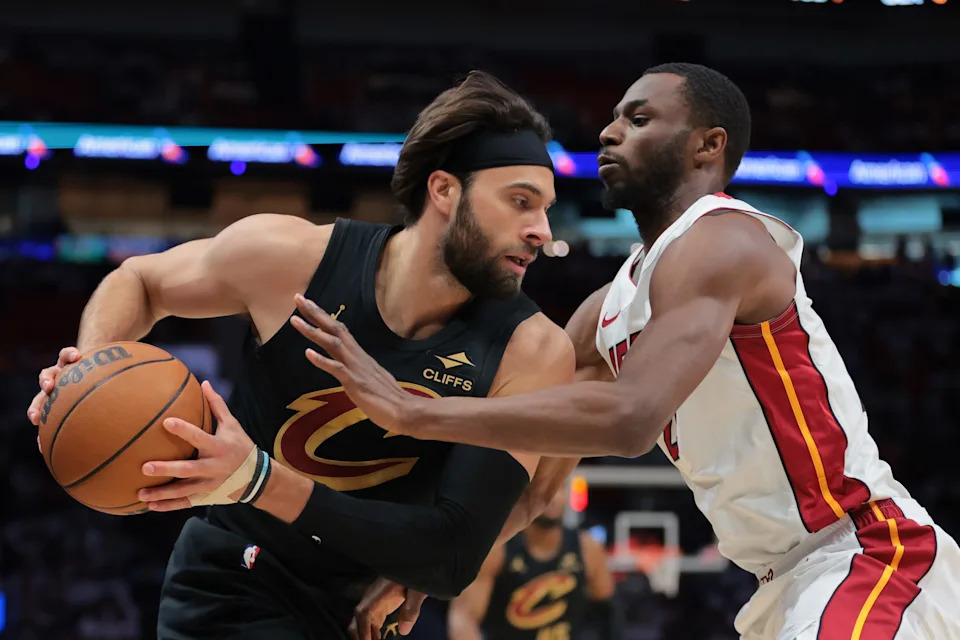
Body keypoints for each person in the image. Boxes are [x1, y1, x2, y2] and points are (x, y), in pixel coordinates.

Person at [289, 63, 960, 639]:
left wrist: (416, 413)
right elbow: (535, 490)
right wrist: (428, 573)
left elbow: (630, 417)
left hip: (867, 551)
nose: (609, 132)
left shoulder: (723, 241)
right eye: (612, 118)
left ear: (708, 146)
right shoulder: (610, 308)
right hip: (781, 580)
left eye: (638, 119)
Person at [26, 70, 581, 640]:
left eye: (545, 208)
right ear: (444, 190)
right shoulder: (292, 260)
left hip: (364, 609)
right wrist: (89, 368)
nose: (541, 229)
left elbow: (452, 555)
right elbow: (140, 281)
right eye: (520, 202)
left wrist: (257, 478)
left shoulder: (531, 350)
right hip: (236, 582)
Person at [448, 488, 618, 640]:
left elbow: (608, 613)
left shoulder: (588, 548)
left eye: (559, 490)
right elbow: (463, 618)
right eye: (546, 489)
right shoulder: (497, 549)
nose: (553, 498)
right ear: (522, 495)